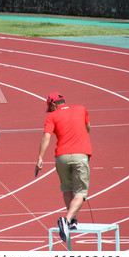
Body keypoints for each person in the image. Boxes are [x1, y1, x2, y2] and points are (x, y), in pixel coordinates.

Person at [35, 92, 92, 243]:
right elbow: (88, 127)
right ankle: (66, 221)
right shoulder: (81, 109)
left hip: (61, 157)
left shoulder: (52, 117)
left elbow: (46, 137)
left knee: (67, 188)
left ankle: (72, 221)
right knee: (81, 191)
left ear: (53, 104)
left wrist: (40, 158)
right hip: (80, 155)